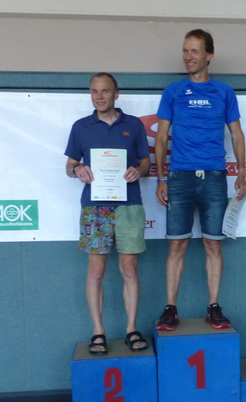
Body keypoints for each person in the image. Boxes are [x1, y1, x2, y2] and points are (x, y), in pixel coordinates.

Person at [154, 29, 246, 331]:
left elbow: (236, 134)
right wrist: (161, 178)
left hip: (214, 177)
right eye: (185, 50)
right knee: (176, 246)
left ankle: (214, 307)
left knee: (213, 245)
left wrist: (242, 172)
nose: (188, 57)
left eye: (194, 51)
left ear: (209, 55)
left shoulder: (224, 91)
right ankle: (171, 308)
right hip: (179, 176)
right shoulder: (173, 91)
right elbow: (161, 137)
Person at [65, 73, 151, 355]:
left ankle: (131, 329)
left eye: (104, 91)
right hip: (95, 206)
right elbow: (70, 165)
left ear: (116, 94)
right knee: (96, 271)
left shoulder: (134, 125)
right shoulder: (80, 127)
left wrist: (138, 171)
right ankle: (98, 332)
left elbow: (146, 162)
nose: (99, 96)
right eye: (94, 91)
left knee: (129, 269)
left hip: (129, 204)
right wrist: (78, 169)